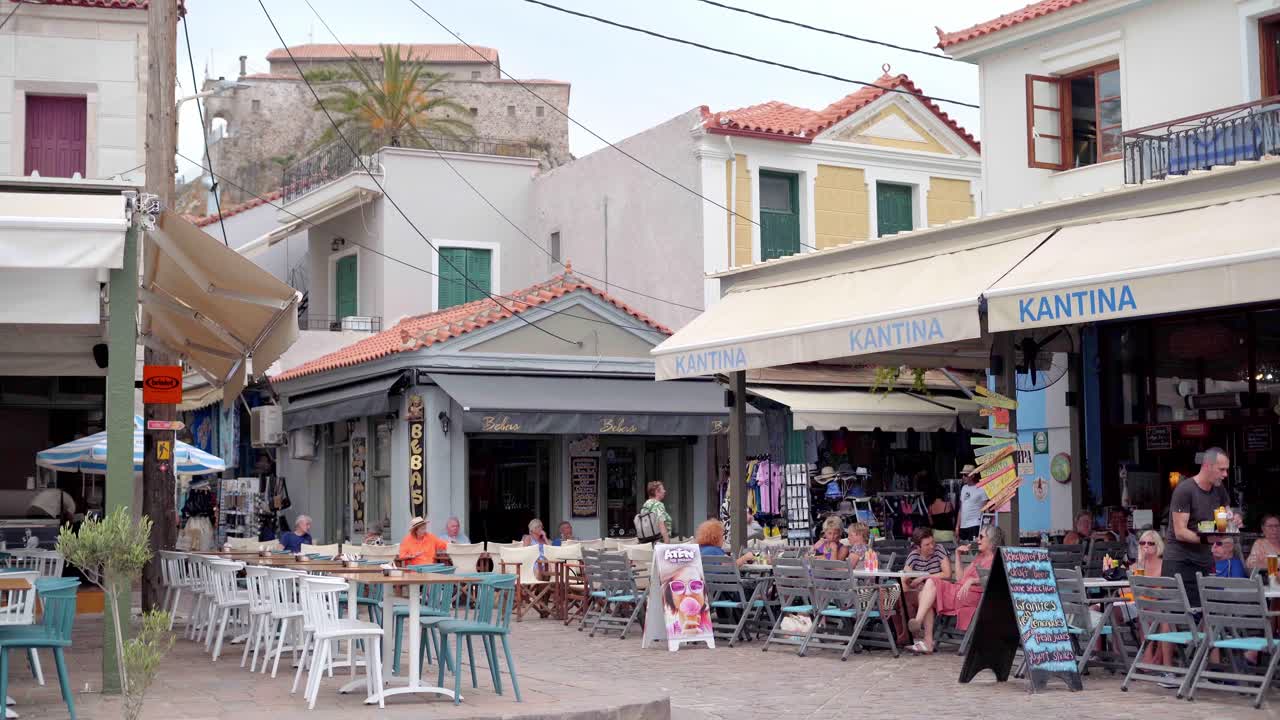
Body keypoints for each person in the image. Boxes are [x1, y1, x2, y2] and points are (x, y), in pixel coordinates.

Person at [907, 525, 1004, 654]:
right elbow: (960, 578)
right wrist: (958, 555)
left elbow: (994, 581)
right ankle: (928, 642)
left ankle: (918, 623)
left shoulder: (996, 559)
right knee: (925, 595)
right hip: (959, 592)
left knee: (930, 585)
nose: (977, 540)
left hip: (971, 598)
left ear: (991, 540)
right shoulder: (979, 558)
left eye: (981, 537)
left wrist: (973, 580)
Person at [1165, 448, 1232, 608]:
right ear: (1207, 466)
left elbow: (1227, 513)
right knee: (1172, 611)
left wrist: (1234, 519)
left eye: (1226, 470)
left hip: (1204, 559)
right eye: (1221, 469)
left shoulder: (1219, 489)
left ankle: (1204, 635)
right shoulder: (1185, 490)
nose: (1225, 474)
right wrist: (1205, 539)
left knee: (1207, 609)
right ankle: (1158, 634)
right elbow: (1180, 532)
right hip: (1180, 560)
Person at [1129, 530, 1172, 669]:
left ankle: (1152, 657)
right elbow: (1128, 587)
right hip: (1141, 604)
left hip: (1159, 604)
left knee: (1147, 610)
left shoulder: (1164, 565)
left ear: (1158, 546)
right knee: (1112, 612)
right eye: (1142, 542)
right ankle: (1121, 656)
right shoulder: (1136, 565)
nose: (1146, 546)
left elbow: (1164, 591)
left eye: (1150, 543)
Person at [955, 465, 984, 541]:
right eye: (962, 475)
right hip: (963, 525)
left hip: (975, 524)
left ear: (973, 475)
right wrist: (957, 527)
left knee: (974, 550)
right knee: (963, 549)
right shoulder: (964, 488)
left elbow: (985, 508)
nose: (963, 477)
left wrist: (985, 526)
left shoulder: (981, 488)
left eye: (965, 475)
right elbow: (961, 509)